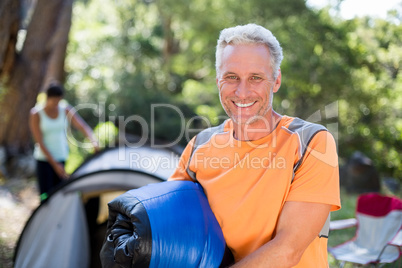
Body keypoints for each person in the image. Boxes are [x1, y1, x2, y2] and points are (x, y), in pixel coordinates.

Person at [169, 24, 341, 267]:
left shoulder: (311, 143)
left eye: (256, 78)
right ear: (218, 80)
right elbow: (171, 222)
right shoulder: (200, 146)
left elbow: (287, 250)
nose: (242, 92)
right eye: (232, 77)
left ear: (276, 80)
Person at [29, 82, 99, 200]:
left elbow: (82, 126)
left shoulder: (65, 109)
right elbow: (39, 142)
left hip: (61, 156)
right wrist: (55, 164)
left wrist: (93, 140)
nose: (56, 104)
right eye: (54, 101)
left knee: (58, 195)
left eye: (59, 101)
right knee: (45, 196)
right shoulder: (36, 113)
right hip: (44, 159)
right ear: (48, 98)